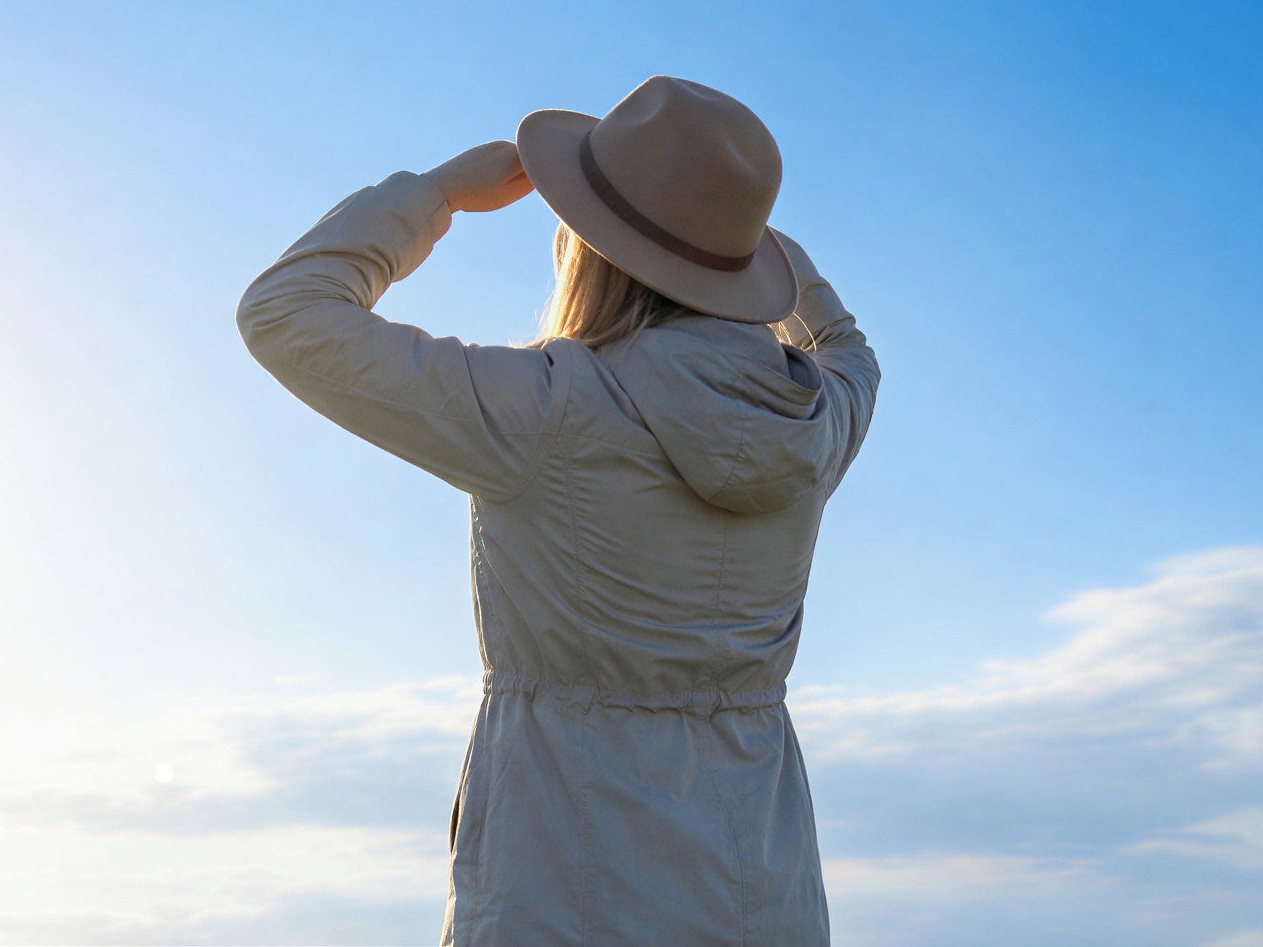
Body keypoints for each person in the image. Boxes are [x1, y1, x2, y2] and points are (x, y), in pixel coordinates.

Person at [235, 76, 879, 945]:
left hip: (562, 888)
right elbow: (849, 350)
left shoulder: (544, 408)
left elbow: (285, 313)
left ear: (593, 249)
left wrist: (433, 197)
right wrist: (741, 236)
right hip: (767, 890)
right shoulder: (812, 419)